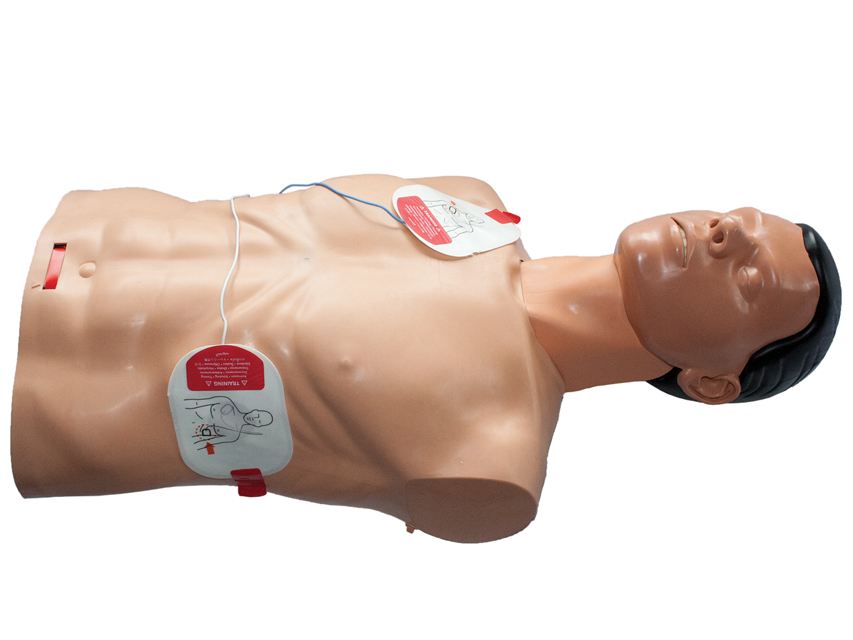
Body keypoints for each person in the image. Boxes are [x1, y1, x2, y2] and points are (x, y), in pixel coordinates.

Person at [10, 175, 841, 543]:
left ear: (708, 385)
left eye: (750, 282)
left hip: (41, 399)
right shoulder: (468, 201)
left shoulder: (492, 455)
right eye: (737, 217)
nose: (723, 234)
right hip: (66, 217)